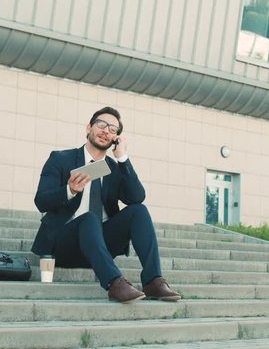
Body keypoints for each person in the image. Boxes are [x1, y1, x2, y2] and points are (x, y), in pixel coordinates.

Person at [31, 106, 181, 303]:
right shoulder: (60, 159)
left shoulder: (114, 167)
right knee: (89, 219)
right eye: (101, 124)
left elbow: (136, 197)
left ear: (116, 139)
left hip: (99, 245)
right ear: (88, 128)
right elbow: (41, 200)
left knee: (139, 211)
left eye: (113, 129)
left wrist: (123, 159)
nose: (106, 131)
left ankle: (153, 281)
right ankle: (114, 283)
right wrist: (70, 191)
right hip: (64, 244)